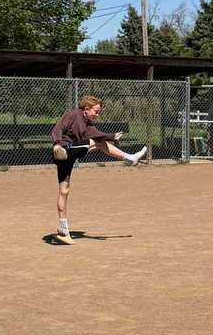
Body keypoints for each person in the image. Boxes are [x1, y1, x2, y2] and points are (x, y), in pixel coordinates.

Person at [51, 94, 147, 245]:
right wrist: (57, 144)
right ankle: (130, 158)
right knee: (95, 143)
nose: (97, 114)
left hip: (68, 157)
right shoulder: (73, 114)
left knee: (64, 190)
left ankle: (63, 230)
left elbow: (98, 135)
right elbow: (58, 128)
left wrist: (112, 136)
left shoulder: (87, 124)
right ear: (86, 109)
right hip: (63, 149)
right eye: (95, 111)